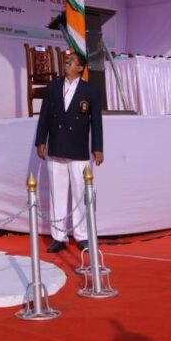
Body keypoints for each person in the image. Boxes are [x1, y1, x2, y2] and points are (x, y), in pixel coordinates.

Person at [35, 49, 103, 253]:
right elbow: (44, 115)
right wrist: (41, 140)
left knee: (80, 194)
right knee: (57, 193)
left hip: (79, 149)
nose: (66, 62)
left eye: (71, 61)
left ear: (80, 67)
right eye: (67, 60)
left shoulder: (91, 90)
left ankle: (82, 236)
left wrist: (98, 147)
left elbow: (96, 122)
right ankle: (58, 236)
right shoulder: (53, 87)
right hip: (56, 146)